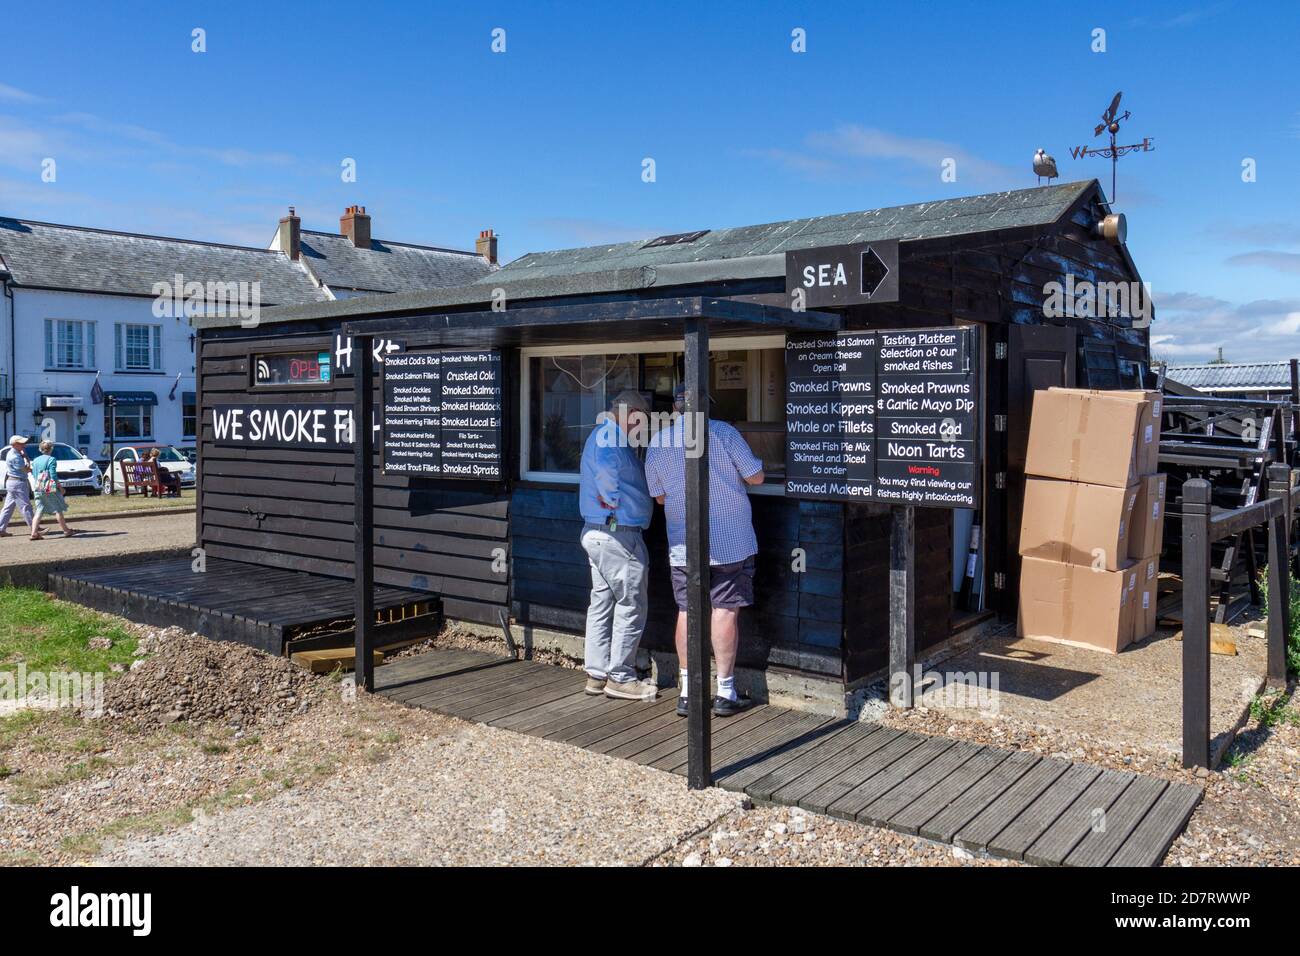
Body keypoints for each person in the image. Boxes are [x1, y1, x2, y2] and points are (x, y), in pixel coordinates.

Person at [645, 385, 764, 717]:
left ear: (676, 409)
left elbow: (660, 497)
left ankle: (688, 692)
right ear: (706, 407)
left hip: (684, 544)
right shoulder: (724, 432)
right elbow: (756, 477)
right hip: (730, 542)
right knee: (724, 610)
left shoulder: (658, 441)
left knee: (687, 610)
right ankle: (725, 691)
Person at [578, 389, 657, 701]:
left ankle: (596, 674)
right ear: (633, 414)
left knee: (602, 602)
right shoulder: (609, 437)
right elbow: (608, 477)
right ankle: (620, 677)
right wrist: (612, 502)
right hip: (617, 534)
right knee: (630, 604)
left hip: (600, 533)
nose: (642, 428)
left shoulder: (605, 436)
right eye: (642, 421)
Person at [30, 440, 78, 540]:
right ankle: (66, 530)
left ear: (40, 449)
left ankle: (34, 532)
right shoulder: (51, 459)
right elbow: (53, 475)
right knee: (58, 509)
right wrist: (60, 488)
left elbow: (34, 474)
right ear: (51, 449)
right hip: (48, 488)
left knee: (39, 510)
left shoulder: (35, 460)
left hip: (37, 487)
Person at [0, 436, 36, 539]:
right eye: (21, 443)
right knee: (26, 506)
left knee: (8, 507)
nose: (24, 445)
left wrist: (23, 456)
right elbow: (26, 470)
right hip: (17, 483)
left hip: (13, 482)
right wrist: (27, 458)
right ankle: (35, 528)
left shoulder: (13, 453)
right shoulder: (15, 456)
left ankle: (0, 529)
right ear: (14, 444)